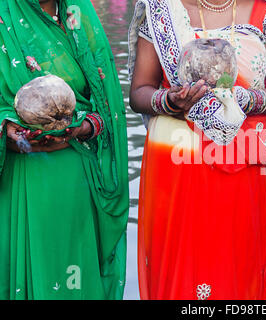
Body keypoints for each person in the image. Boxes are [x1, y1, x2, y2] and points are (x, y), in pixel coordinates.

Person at [128, 0, 266, 299]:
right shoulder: (163, 11)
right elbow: (140, 91)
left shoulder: (265, 15)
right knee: (180, 268)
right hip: (176, 162)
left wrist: (236, 102)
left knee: (236, 268)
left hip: (243, 161)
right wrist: (171, 102)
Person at [0, 0, 129, 299]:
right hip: (19, 176)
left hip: (75, 179)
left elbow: (104, 101)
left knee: (71, 281)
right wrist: (5, 129)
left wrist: (86, 126)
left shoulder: (79, 17)